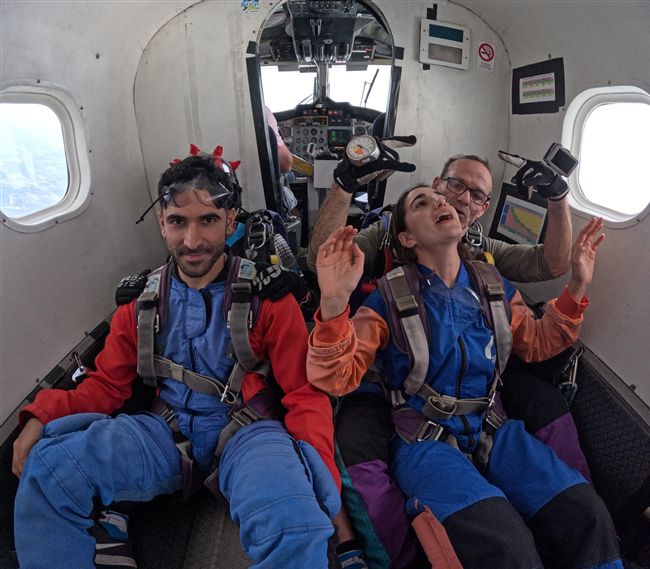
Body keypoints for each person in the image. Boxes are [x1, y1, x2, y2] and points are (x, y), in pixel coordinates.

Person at [11, 154, 341, 569]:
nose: (192, 240)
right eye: (178, 222)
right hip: (164, 434)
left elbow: (303, 395)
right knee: (48, 469)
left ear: (230, 220)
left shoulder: (269, 300)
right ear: (162, 224)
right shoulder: (140, 304)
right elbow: (105, 386)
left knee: (297, 526)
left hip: (250, 435)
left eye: (208, 220)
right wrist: (42, 415)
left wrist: (319, 474)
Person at [307, 186, 622, 568]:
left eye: (440, 198)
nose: (441, 202)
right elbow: (336, 377)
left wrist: (578, 283)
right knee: (506, 546)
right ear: (406, 238)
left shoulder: (493, 285)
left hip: (494, 428)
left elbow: (538, 343)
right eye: (422, 203)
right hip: (424, 441)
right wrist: (334, 301)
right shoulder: (388, 298)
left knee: (586, 514)